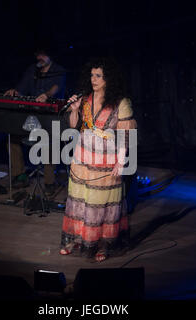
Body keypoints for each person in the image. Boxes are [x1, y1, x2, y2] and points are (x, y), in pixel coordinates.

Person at [59, 57, 137, 262]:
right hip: (82, 158)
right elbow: (74, 126)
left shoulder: (121, 102)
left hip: (106, 161)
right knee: (79, 203)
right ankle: (77, 239)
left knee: (102, 207)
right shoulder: (85, 99)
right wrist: (74, 110)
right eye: (92, 75)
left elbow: (126, 135)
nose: (94, 79)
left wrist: (120, 162)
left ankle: (103, 245)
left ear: (108, 78)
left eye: (99, 76)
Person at [3, 49, 66, 194]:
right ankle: (20, 175)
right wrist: (16, 92)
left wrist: (47, 95)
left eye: (43, 54)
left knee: (51, 141)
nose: (40, 57)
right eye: (37, 55)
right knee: (12, 138)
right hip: (32, 118)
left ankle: (49, 182)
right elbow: (22, 89)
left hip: (51, 118)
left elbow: (56, 88)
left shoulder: (59, 71)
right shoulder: (32, 70)